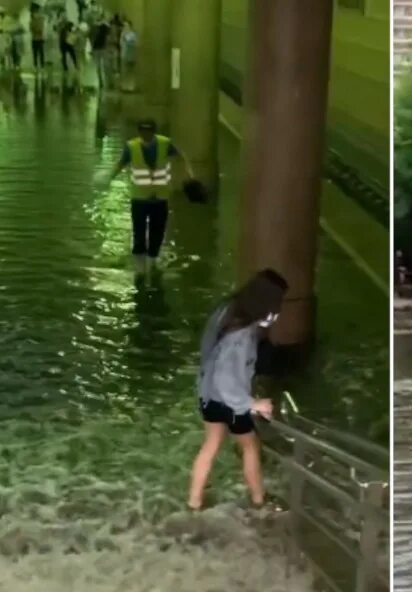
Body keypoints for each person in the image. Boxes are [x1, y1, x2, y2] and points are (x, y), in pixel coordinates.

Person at [187, 269, 288, 511]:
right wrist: (251, 404)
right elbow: (227, 379)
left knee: (210, 445)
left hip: (208, 394)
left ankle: (194, 502)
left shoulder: (227, 311)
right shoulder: (241, 337)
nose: (278, 310)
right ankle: (259, 499)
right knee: (250, 446)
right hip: (229, 403)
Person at [103, 119, 196, 274]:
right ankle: (140, 267)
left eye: (149, 132)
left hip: (160, 197)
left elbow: (181, 156)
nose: (146, 135)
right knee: (139, 232)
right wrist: (110, 177)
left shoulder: (165, 144)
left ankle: (152, 261)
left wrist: (190, 175)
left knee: (157, 231)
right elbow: (121, 164)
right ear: (139, 132)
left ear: (154, 131)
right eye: (143, 132)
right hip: (139, 198)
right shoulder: (131, 147)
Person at [119, 19, 137, 92]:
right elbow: (121, 43)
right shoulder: (123, 34)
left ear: (130, 26)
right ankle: (125, 86)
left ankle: (131, 86)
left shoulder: (132, 34)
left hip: (131, 55)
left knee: (130, 71)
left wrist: (124, 37)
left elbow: (132, 42)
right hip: (124, 54)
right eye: (124, 26)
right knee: (124, 71)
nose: (125, 27)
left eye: (126, 25)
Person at [29, 6, 46, 72]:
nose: (36, 14)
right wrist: (37, 29)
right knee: (35, 53)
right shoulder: (32, 21)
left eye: (37, 13)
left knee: (41, 52)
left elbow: (41, 28)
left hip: (40, 38)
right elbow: (31, 29)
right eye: (35, 13)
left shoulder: (41, 20)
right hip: (34, 39)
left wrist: (37, 29)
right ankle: (35, 65)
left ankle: (42, 65)